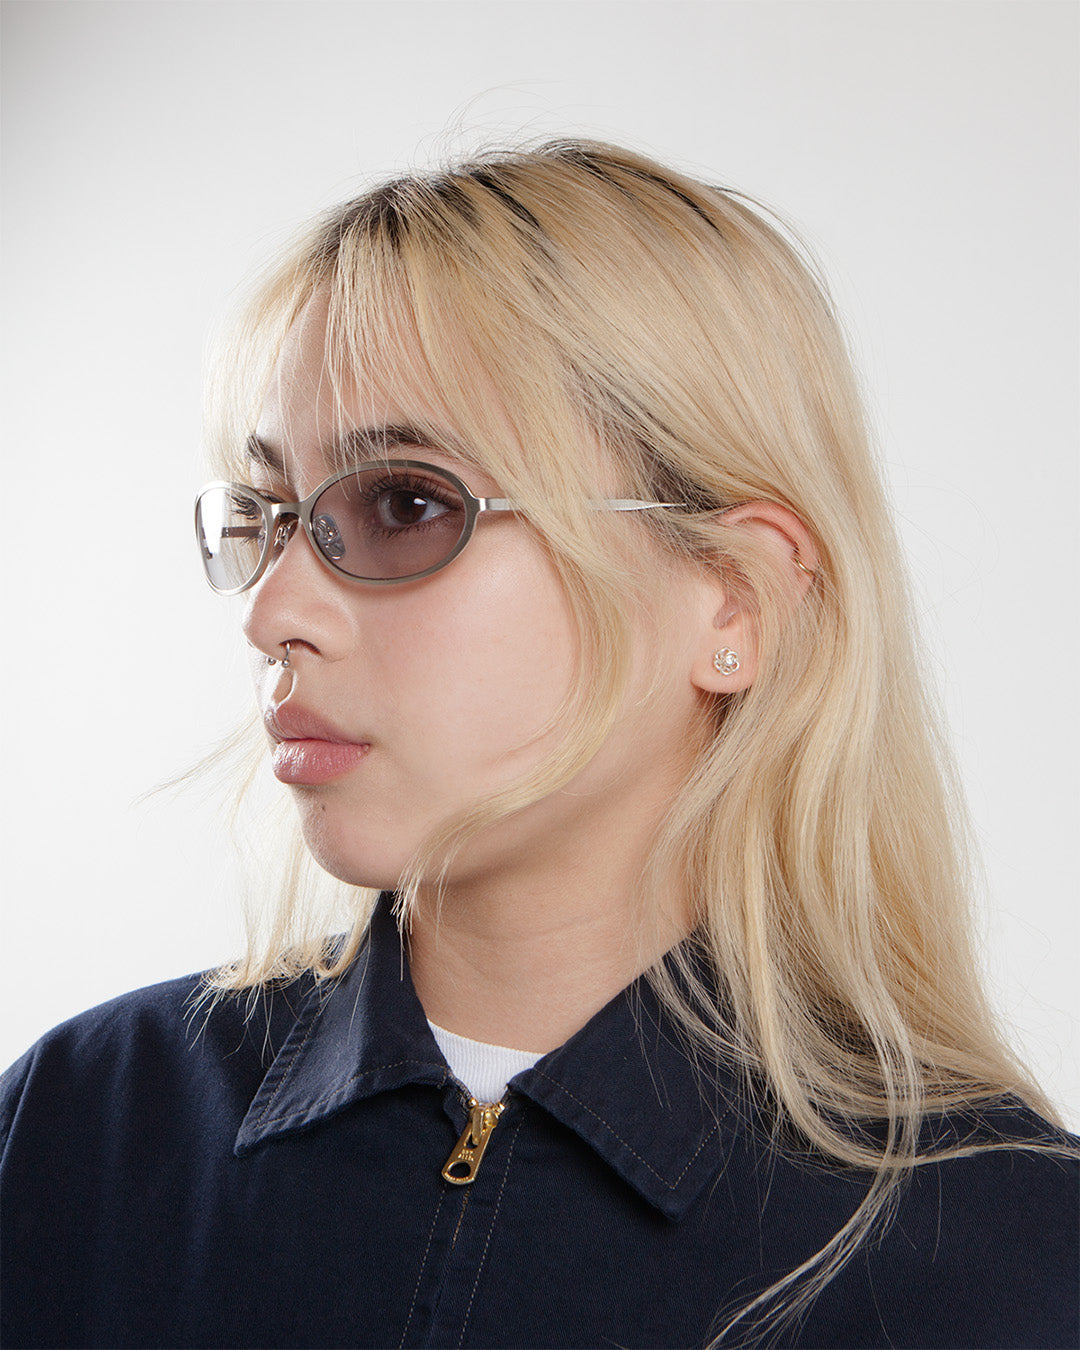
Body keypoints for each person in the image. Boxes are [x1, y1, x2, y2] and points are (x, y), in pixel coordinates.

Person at [1, 140, 1076, 1350]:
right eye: (270, 516)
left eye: (405, 504)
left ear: (734, 599)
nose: (272, 611)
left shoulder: (1010, 1254)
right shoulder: (78, 1129)